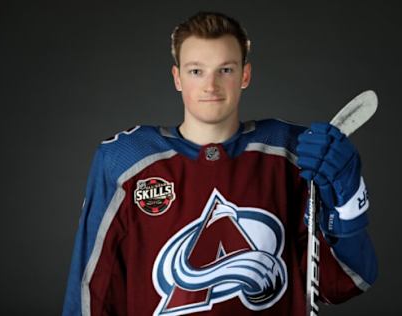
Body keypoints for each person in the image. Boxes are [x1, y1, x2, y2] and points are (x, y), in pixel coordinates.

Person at [62, 11, 377, 316]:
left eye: (225, 70)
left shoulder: (291, 153)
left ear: (245, 75)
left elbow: (345, 282)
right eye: (196, 71)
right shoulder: (126, 160)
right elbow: (93, 290)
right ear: (177, 78)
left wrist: (349, 198)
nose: (210, 86)